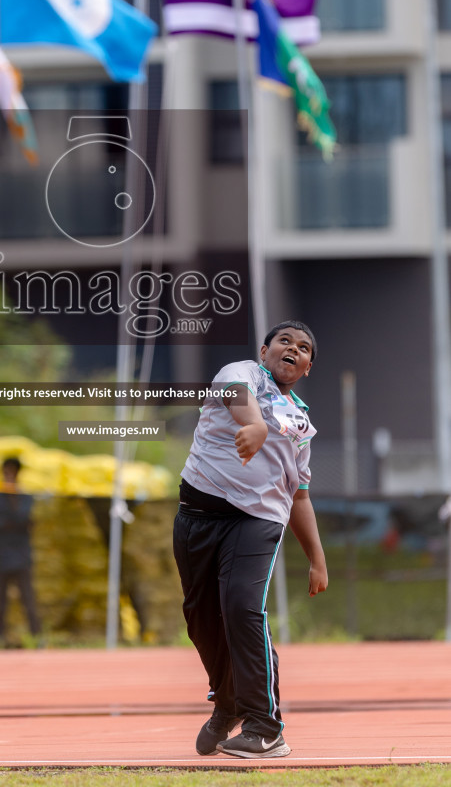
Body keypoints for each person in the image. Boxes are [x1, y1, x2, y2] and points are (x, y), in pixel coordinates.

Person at [173, 320, 328, 760]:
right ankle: (227, 704)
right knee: (201, 620)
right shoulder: (239, 373)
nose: (292, 349)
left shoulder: (301, 424)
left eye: (303, 348)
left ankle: (264, 727)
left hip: (257, 521)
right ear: (264, 352)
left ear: (307, 368)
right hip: (196, 517)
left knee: (242, 608)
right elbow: (238, 399)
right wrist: (255, 424)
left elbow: (299, 495)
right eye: (284, 341)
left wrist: (317, 558)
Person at [0, 457, 41, 644]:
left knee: (28, 599)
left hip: (21, 555)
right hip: (1, 555)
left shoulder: (24, 497)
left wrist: (13, 517)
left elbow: (26, 519)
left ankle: (37, 636)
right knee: (0, 601)